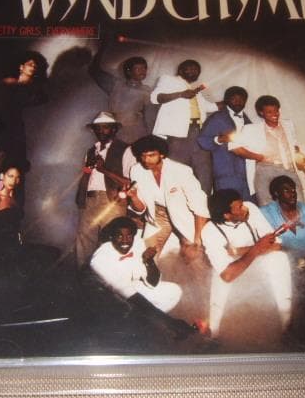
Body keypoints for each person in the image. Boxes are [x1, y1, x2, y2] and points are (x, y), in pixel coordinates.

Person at [201, 189, 292, 338]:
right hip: (233, 272)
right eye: (239, 207)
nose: (245, 208)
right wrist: (257, 248)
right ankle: (213, 333)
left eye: (242, 203)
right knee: (218, 277)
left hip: (256, 263)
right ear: (227, 215)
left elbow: (276, 245)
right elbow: (227, 275)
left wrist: (237, 251)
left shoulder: (251, 209)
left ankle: (287, 326)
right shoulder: (209, 231)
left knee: (279, 258)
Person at [127, 135, 210, 259]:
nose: (146, 160)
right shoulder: (136, 170)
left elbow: (200, 206)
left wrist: (197, 240)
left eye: (151, 155)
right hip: (157, 215)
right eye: (143, 156)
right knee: (147, 257)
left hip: (184, 214)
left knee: (194, 256)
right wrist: (133, 197)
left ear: (162, 155)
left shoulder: (181, 170)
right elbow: (140, 209)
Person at [75, 112, 136, 268]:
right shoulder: (91, 150)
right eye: (97, 128)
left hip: (112, 201)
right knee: (84, 240)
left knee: (112, 240)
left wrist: (104, 169)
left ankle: (110, 277)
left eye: (105, 127)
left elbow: (130, 182)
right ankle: (85, 276)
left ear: (114, 129)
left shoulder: (125, 150)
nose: (101, 131)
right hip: (89, 200)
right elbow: (86, 174)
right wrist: (88, 169)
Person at [228, 95, 305, 206]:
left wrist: (302, 160)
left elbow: (294, 146)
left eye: (276, 111)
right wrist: (258, 157)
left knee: (299, 203)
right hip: (265, 170)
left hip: (288, 168)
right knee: (267, 205)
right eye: (269, 112)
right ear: (261, 113)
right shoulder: (252, 129)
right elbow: (234, 147)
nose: (274, 114)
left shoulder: (288, 124)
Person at [151, 60, 218, 192]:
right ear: (180, 70)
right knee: (177, 171)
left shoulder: (195, 91)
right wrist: (181, 94)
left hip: (199, 133)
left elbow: (209, 107)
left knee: (204, 171)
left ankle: (204, 200)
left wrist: (229, 101)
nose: (194, 71)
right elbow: (155, 98)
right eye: (190, 68)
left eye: (197, 70)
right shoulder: (168, 79)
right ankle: (176, 200)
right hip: (179, 135)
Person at [89, 38, 155, 143]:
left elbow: (150, 117)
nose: (142, 71)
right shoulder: (115, 85)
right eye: (138, 68)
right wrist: (102, 48)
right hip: (115, 131)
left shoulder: (148, 91)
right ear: (128, 71)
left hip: (137, 133)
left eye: (144, 68)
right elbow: (94, 70)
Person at [197, 86, 253, 200]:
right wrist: (219, 139)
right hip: (225, 173)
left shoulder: (249, 122)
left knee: (248, 206)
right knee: (228, 206)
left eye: (241, 99)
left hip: (248, 174)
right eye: (234, 99)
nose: (238, 102)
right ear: (227, 100)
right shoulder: (217, 118)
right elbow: (202, 141)